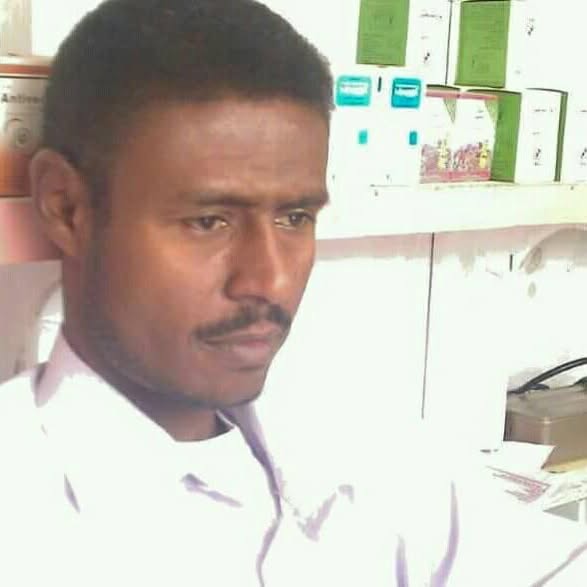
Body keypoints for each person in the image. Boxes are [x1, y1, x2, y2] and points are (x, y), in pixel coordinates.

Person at [1, 0, 587, 585]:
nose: (270, 279)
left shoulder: (360, 455)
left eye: (294, 217)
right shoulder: (25, 515)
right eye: (209, 221)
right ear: (67, 207)